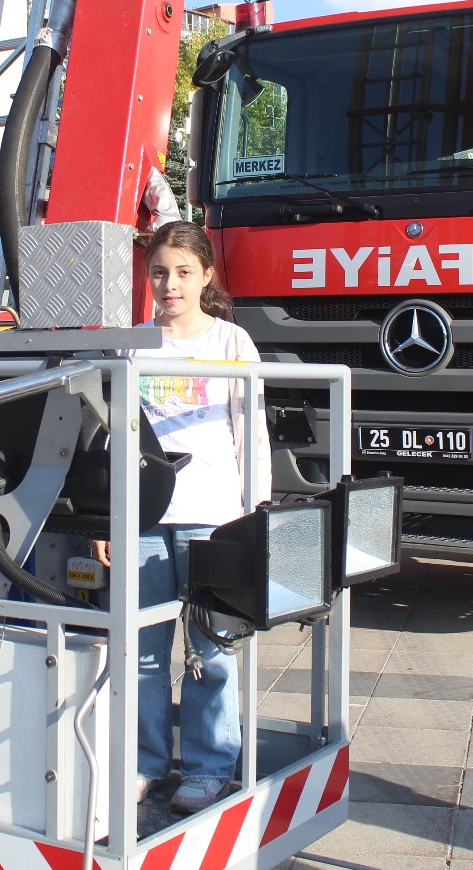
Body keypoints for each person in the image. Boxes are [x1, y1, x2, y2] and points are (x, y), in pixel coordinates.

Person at [98, 220, 271, 816]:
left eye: (182, 272)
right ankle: (145, 762)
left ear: (206, 276)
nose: (169, 284)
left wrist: (255, 514)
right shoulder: (133, 343)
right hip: (145, 519)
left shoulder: (232, 342)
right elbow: (113, 439)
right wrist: (108, 518)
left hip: (213, 518)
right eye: (158, 273)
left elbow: (252, 432)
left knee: (212, 650)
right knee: (142, 650)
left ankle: (209, 766)